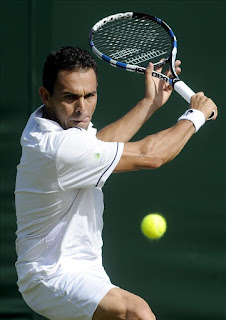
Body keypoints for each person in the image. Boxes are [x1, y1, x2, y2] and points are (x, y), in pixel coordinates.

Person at [15, 46, 217, 320]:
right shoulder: (56, 148)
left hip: (86, 269)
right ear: (46, 96)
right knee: (136, 313)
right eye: (70, 97)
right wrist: (196, 116)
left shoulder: (48, 125)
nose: (82, 108)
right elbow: (151, 155)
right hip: (50, 274)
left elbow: (98, 146)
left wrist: (150, 102)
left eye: (90, 95)